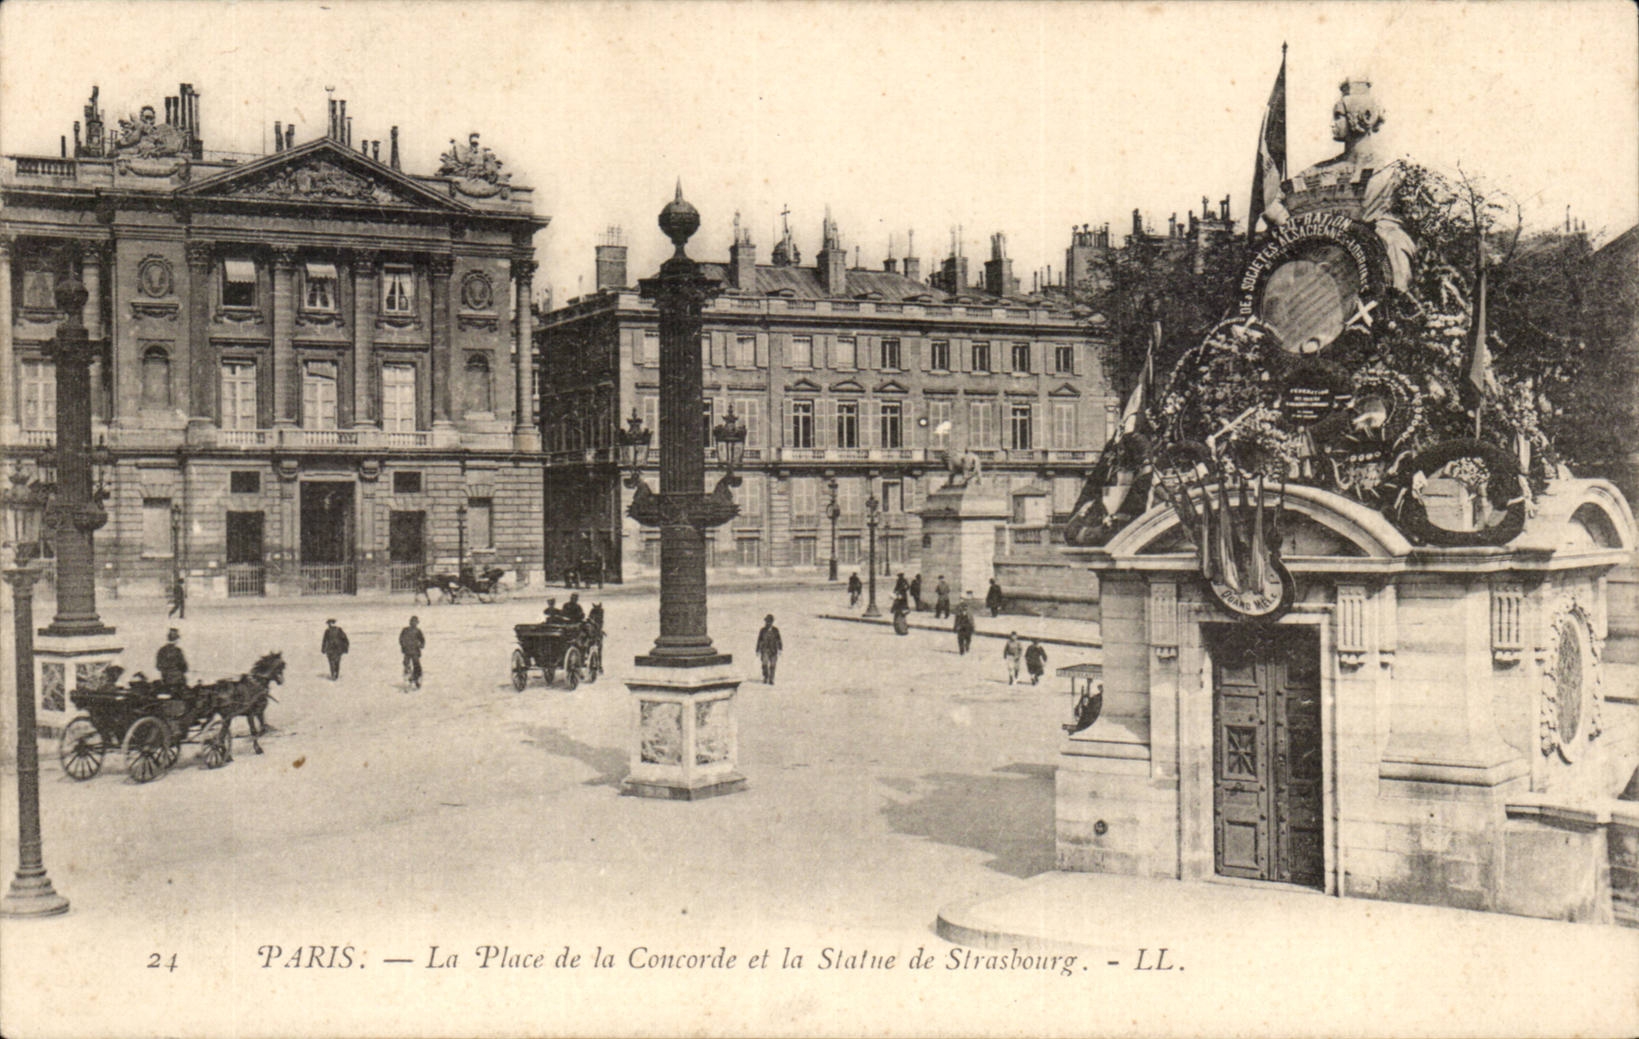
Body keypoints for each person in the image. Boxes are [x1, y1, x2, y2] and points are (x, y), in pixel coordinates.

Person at [399, 616, 425, 690]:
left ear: (417, 623)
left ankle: (416, 679)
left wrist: (421, 645)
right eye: (412, 622)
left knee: (417, 665)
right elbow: (401, 639)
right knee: (406, 664)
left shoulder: (418, 631)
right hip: (407, 651)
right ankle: (408, 679)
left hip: (415, 651)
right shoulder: (405, 630)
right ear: (410, 622)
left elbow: (422, 640)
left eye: (415, 622)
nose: (413, 623)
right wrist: (403, 646)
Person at [755, 614, 783, 684]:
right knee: (764, 664)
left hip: (773, 650)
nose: (768, 623)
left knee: (773, 665)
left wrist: (780, 649)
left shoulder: (775, 630)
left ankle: (771, 679)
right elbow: (759, 640)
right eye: (767, 621)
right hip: (764, 650)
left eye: (770, 621)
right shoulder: (762, 630)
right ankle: (766, 677)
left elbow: (779, 639)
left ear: (772, 622)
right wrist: (757, 650)